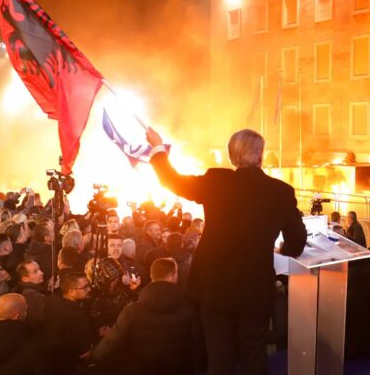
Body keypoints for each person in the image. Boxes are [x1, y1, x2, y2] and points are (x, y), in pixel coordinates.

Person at [146, 127, 306, 375]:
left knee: (219, 357)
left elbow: (172, 181)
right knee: (254, 356)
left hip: (215, 289)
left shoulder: (216, 181)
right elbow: (297, 242)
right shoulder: (281, 192)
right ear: (261, 156)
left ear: (232, 156)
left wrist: (158, 147)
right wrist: (282, 248)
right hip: (255, 290)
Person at [91, 258, 204, 375]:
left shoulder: (132, 311)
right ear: (172, 276)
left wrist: (93, 356)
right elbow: (198, 348)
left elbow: (112, 342)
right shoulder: (189, 310)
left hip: (143, 369)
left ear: (151, 276)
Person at [44, 272, 96, 375]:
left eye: (89, 285)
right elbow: (84, 351)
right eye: (85, 287)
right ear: (71, 292)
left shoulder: (54, 302)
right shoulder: (75, 314)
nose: (89, 289)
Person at [15, 259, 48, 328]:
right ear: (25, 279)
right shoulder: (36, 298)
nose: (41, 273)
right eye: (35, 272)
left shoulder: (27, 292)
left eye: (39, 269)